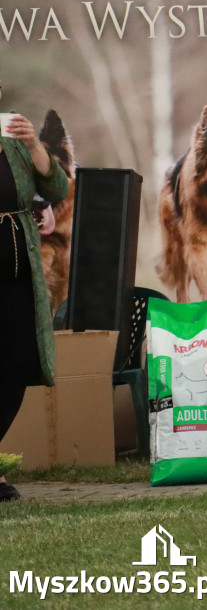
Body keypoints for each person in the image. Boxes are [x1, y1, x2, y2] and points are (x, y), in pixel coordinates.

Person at [0, 81, 71, 502]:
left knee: (19, 363)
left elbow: (58, 191)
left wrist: (37, 150)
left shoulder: (13, 142)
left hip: (17, 272)